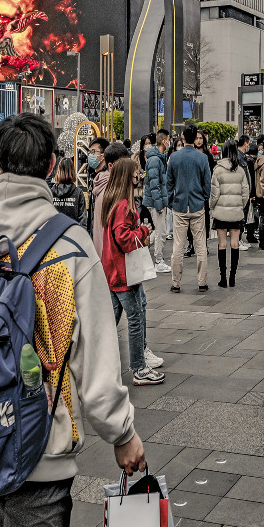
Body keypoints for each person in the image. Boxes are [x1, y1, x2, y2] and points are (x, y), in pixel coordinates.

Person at [0, 114, 146, 527]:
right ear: (53, 164)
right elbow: (96, 360)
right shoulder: (70, 244)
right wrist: (122, 433)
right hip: (43, 450)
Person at [99, 156, 164, 386]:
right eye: (135, 172)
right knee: (135, 319)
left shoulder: (112, 201)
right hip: (124, 273)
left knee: (110, 321)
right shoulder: (124, 206)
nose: (138, 176)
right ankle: (139, 369)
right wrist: (144, 231)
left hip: (113, 271)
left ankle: (96, 364)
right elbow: (124, 240)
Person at [168, 126, 212, 292]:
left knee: (178, 246)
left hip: (179, 205)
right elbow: (207, 183)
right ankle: (202, 282)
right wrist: (204, 198)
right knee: (201, 245)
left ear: (183, 137)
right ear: (196, 138)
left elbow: (169, 181)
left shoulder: (174, 157)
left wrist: (171, 201)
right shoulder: (202, 158)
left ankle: (176, 283)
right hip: (197, 204)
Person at [208, 139, 251, 288]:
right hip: (236, 213)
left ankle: (223, 278)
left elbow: (214, 194)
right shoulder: (240, 170)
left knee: (221, 244)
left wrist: (212, 207)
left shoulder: (217, 170)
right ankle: (232, 277)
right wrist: (240, 205)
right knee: (234, 243)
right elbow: (246, 192)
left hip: (220, 213)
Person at [143, 130, 172, 274]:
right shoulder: (156, 159)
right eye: (168, 139)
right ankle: (159, 260)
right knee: (161, 231)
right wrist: (159, 205)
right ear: (163, 141)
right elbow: (154, 184)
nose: (169, 142)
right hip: (156, 202)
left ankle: (141, 249)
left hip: (157, 200)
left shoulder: (158, 158)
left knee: (157, 231)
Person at [49, 156, 87, 225]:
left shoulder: (51, 193)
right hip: (73, 233)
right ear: (72, 171)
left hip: (56, 234)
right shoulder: (78, 193)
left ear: (58, 171)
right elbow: (83, 220)